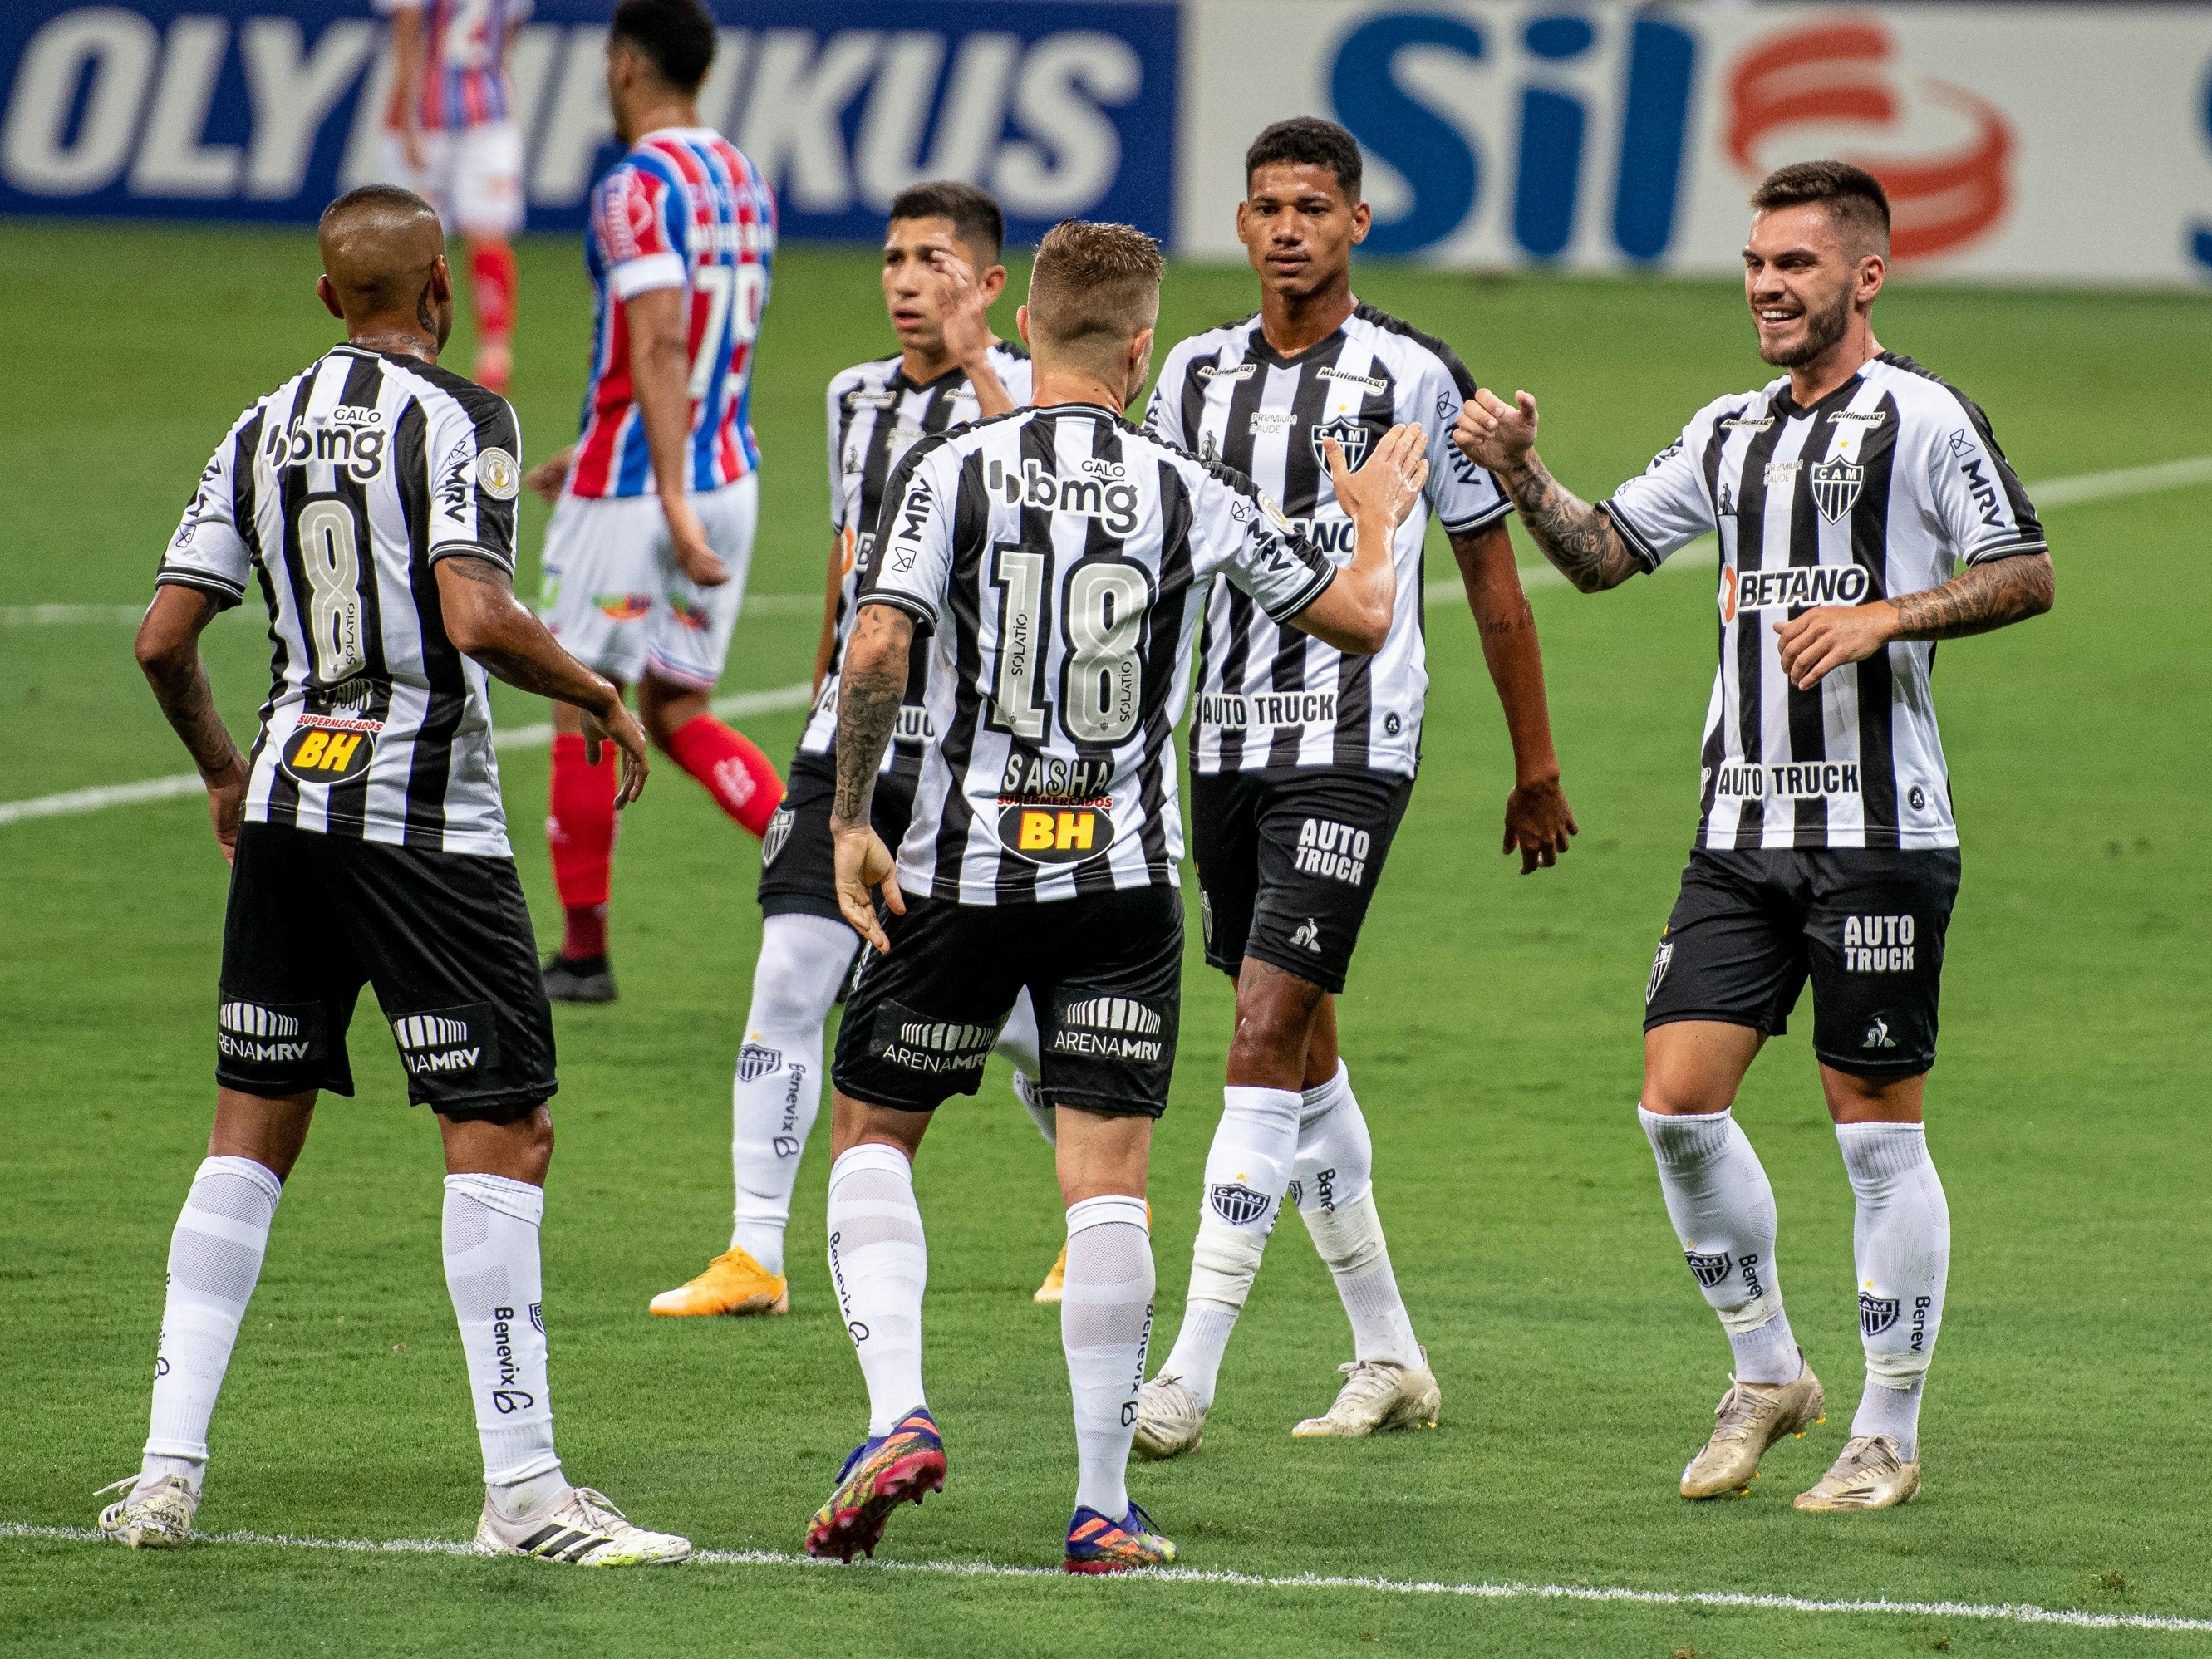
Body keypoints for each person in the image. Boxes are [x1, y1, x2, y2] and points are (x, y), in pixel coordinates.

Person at [802, 219, 1430, 1572]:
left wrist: (853, 816)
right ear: (1142, 349)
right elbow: (1361, 619)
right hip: (1121, 883)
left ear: (1022, 325)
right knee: (1107, 1182)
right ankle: (1099, 1502)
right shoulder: (1181, 486)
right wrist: (1373, 519)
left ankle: (897, 1411)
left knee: (870, 1128)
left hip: (965, 872)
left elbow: (877, 644)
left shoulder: (949, 468)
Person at [99, 185, 689, 1566]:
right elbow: (479, 615)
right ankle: (528, 1496)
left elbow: (160, 638)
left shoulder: (259, 422)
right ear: (440, 283)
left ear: (325, 298)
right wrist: (597, 692)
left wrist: (220, 770)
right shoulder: (464, 415)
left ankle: (164, 1473)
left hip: (293, 810)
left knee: (250, 1129)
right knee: (503, 1130)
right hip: (425, 828)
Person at [1453, 160, 2053, 1511]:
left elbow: (2024, 569)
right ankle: (1770, 1372)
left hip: (1880, 833)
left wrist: (1886, 615)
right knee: (1674, 1105)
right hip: (1738, 829)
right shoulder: (1728, 432)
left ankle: (1887, 1428)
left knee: (1873, 1134)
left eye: (1795, 264)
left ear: (1864, 276)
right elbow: (1604, 553)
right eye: (1755, 263)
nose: (1767, 287)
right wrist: (1522, 473)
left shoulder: (1923, 419)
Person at [1133, 117, 1576, 1457]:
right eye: (1264, 205)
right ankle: (1387, 1349)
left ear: (1357, 224)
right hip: (1222, 749)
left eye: (1311, 206)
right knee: (1304, 1042)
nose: (1285, 228)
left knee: (1261, 1030)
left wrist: (1535, 761)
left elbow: (1493, 582)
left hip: (1351, 741)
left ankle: (1182, 1381)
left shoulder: (1414, 377)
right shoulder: (1193, 378)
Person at [650, 181, 1060, 1320]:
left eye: (933, 259)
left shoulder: (1033, 397)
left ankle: (1091, 1205)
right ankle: (753, 1255)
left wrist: (986, 369)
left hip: (973, 751)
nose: (904, 280)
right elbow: (849, 556)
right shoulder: (852, 397)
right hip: (856, 737)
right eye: (891, 258)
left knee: (1007, 1007)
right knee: (790, 972)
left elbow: (1035, 525)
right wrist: (824, 695)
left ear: (988, 286)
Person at [528, 0, 783, 1004]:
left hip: (645, 488)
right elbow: (703, 355)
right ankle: (839, 876)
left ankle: (583, 953)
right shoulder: (742, 176)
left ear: (625, 65)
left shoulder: (632, 186)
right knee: (679, 709)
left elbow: (666, 338)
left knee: (582, 695)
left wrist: (663, 494)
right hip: (730, 471)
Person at [375, 0, 530, 393]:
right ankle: (495, 351)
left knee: (413, 243)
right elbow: (507, 37)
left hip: (426, 118)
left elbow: (407, 33)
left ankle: (407, 348)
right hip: (489, 113)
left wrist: (407, 117)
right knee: (485, 233)